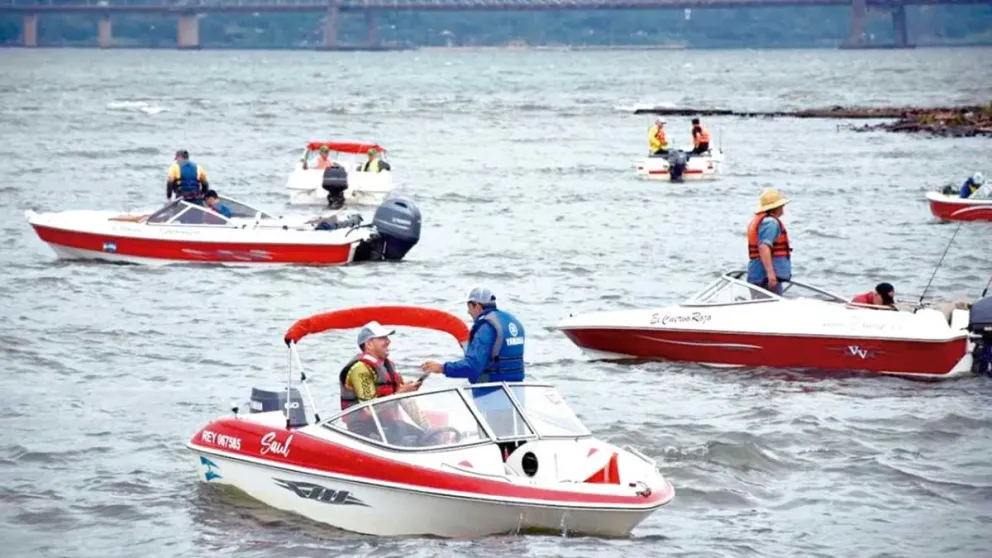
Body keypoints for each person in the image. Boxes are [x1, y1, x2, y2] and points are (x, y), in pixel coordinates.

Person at [421, 288, 527, 439]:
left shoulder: (486, 327)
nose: (468, 313)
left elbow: (472, 367)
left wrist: (442, 368)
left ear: (476, 305)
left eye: (469, 307)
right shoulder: (513, 322)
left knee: (495, 447)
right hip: (517, 398)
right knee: (515, 444)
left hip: (493, 399)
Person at [339, 321, 427, 445]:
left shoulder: (389, 366)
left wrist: (429, 430)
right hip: (364, 431)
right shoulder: (360, 369)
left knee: (427, 438)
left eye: (387, 337)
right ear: (369, 344)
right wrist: (401, 392)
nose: (388, 341)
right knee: (412, 441)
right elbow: (370, 409)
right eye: (382, 338)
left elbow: (405, 400)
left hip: (388, 426)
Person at [746, 189, 793, 296]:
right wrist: (771, 274)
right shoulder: (771, 223)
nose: (783, 209)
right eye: (782, 206)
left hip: (759, 275)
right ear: (776, 207)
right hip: (765, 278)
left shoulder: (763, 221)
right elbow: (763, 247)